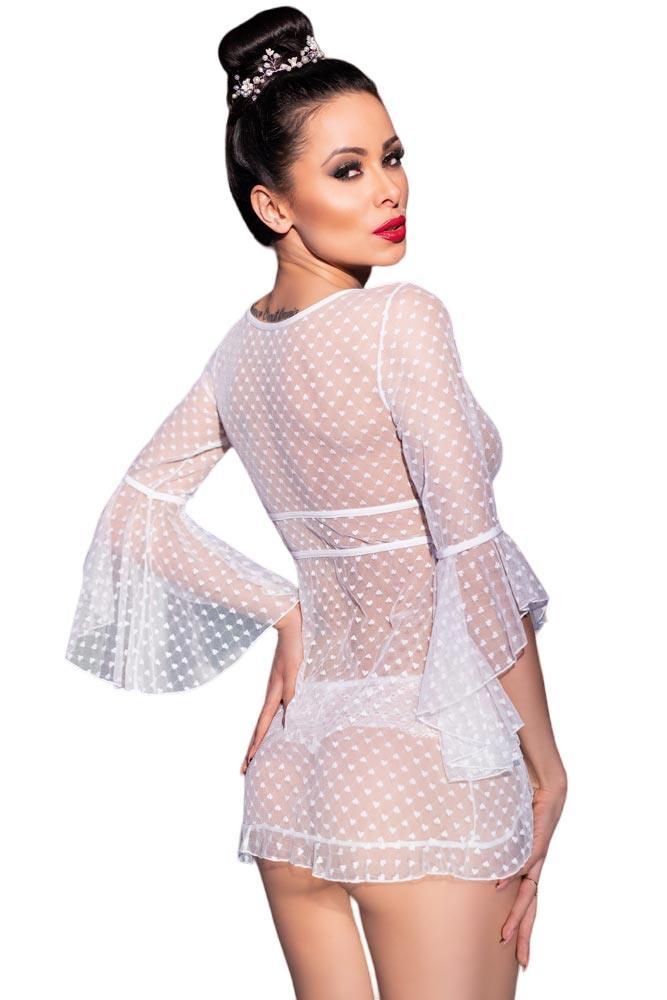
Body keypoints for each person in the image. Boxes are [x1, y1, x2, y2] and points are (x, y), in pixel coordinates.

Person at [65, 6, 568, 998]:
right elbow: (469, 556)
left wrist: (289, 609)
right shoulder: (400, 323)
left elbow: (134, 515)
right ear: (273, 206)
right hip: (428, 764)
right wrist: (545, 765)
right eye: (347, 170)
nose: (388, 189)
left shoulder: (236, 356)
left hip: (296, 774)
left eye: (391, 156)